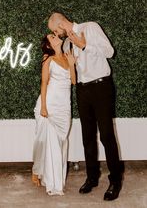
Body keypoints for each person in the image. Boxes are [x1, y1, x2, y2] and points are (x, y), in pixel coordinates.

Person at [48, 12, 123, 201]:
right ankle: (92, 177)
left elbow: (110, 52)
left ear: (61, 24)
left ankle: (115, 180)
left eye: (55, 31)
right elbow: (70, 73)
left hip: (101, 86)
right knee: (87, 136)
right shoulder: (66, 44)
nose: (56, 34)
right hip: (82, 90)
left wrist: (85, 46)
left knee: (106, 134)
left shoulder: (90, 28)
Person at [32, 34, 76, 196]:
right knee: (48, 142)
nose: (56, 36)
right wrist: (43, 106)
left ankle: (42, 171)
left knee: (61, 142)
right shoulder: (47, 59)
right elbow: (44, 83)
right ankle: (53, 182)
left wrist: (72, 64)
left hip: (64, 106)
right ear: (50, 45)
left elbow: (73, 81)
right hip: (49, 105)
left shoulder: (66, 56)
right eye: (52, 37)